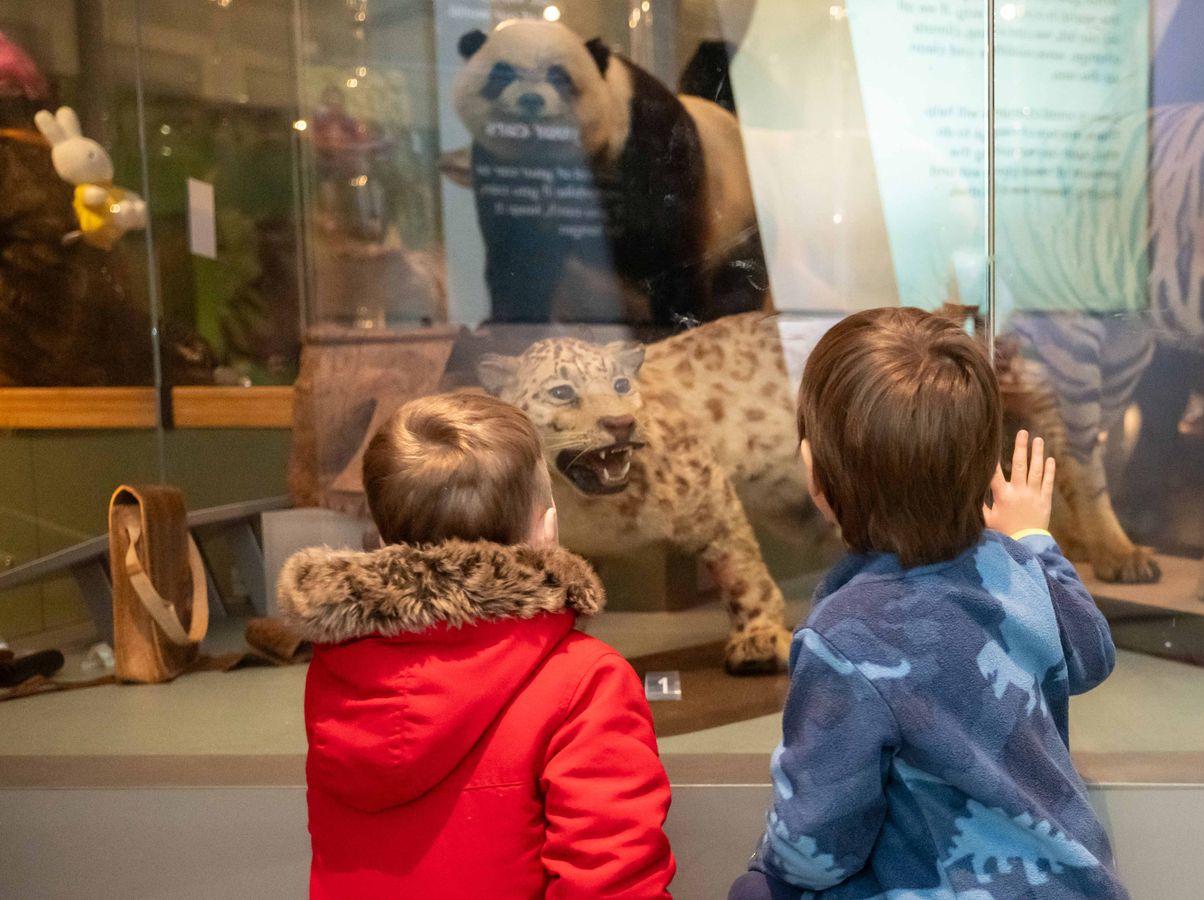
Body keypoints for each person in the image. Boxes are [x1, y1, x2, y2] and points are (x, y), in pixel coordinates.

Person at [731, 307, 1127, 899]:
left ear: (815, 472)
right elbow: (1092, 653)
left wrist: (767, 871)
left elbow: (816, 846)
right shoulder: (1017, 570)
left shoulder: (841, 635)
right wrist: (1033, 542)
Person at [282, 392, 675, 899]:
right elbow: (611, 881)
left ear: (382, 539)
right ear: (547, 530)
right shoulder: (585, 681)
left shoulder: (342, 671)